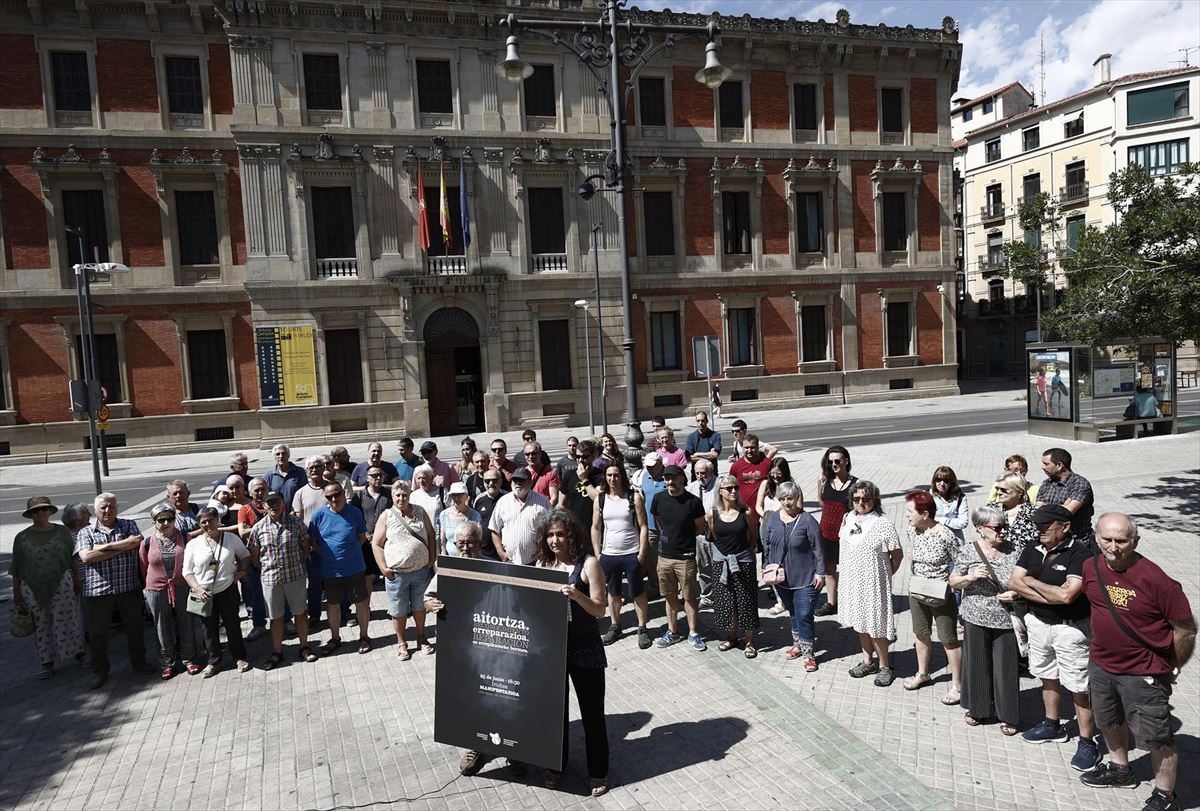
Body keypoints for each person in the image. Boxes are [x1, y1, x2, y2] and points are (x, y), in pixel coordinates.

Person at [1078, 513, 1196, 811]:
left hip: (1143, 672)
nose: (1114, 547)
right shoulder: (1090, 567)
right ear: (1096, 537)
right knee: (1108, 720)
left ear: (1136, 541)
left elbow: (1186, 629)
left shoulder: (1157, 580)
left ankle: (1166, 797)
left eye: (1122, 540)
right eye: (1107, 539)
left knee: (1158, 737)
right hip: (1101, 664)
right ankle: (1121, 770)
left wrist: (1173, 666)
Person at [1007, 504, 1099, 771]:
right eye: (1038, 526)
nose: (1040, 530)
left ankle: (1087, 741)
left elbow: (1067, 596)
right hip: (1038, 623)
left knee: (1078, 686)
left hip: (1070, 629)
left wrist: (1031, 584)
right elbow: (1014, 582)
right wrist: (1045, 591)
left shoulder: (1080, 554)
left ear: (1065, 526)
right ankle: (1052, 724)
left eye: (1046, 526)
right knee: (1046, 675)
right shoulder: (1031, 547)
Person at [534, 509, 610, 796]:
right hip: (552, 650)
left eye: (560, 534)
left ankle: (599, 772)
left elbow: (600, 610)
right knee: (554, 714)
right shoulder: (544, 563)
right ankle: (556, 767)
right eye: (550, 535)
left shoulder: (588, 563)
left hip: (585, 649)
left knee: (592, 714)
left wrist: (576, 594)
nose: (555, 540)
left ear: (572, 536)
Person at [950, 504, 1023, 735]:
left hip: (1004, 618)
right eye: (998, 527)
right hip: (975, 616)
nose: (1003, 532)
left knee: (1006, 668)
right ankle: (979, 710)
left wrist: (1016, 593)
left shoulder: (1015, 550)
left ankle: (1008, 714)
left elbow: (1026, 580)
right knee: (977, 664)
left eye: (1005, 527)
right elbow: (953, 581)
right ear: (981, 529)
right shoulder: (969, 551)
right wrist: (970, 577)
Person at [75, 492, 153, 688]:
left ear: (117, 508)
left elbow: (136, 542)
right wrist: (121, 545)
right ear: (95, 510)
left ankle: (139, 662)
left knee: (134, 628)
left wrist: (104, 548)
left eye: (111, 506)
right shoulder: (86, 532)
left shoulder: (128, 525)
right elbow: (86, 557)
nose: (108, 510)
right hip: (98, 592)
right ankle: (99, 671)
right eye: (103, 507)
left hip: (128, 587)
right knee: (97, 634)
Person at [11, 496, 85, 680]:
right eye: (36, 510)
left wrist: (77, 578)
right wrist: (16, 591)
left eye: (44, 509)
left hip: (62, 583)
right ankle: (46, 662)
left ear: (50, 511)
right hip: (32, 587)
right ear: (31, 514)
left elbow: (73, 557)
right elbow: (16, 566)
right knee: (40, 625)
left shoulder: (62, 532)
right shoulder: (21, 538)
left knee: (68, 619)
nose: (40, 513)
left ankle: (78, 653)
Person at [839, 481, 903, 687]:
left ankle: (885, 666)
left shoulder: (882, 523)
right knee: (860, 622)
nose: (861, 503)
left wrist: (884, 575)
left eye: (865, 499)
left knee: (876, 626)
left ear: (874, 500)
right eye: (856, 499)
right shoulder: (847, 518)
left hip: (874, 584)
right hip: (852, 581)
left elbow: (897, 555)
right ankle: (868, 661)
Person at [902, 490, 964, 702]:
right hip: (916, 589)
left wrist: (953, 583)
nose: (906, 515)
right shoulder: (913, 531)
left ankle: (957, 684)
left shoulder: (945, 535)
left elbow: (959, 562)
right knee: (921, 634)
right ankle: (923, 673)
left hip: (940, 593)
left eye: (910, 511)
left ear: (925, 513)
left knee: (948, 640)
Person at [248, 490, 317, 668]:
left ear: (283, 503)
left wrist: (298, 563)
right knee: (276, 617)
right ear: (263, 506)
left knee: (300, 613)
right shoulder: (258, 527)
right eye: (269, 503)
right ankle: (277, 652)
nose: (274, 506)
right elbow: (254, 555)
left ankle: (304, 647)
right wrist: (265, 568)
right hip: (271, 580)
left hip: (295, 576)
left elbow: (306, 546)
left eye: (276, 502)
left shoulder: (295, 523)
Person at [762, 482, 824, 669]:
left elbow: (818, 549)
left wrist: (820, 573)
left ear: (797, 498)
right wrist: (766, 566)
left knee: (804, 614)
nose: (787, 503)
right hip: (781, 578)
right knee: (793, 612)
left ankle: (808, 652)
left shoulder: (807, 520)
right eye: (783, 499)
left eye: (790, 498)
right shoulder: (772, 518)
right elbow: (767, 544)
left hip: (805, 577)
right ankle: (798, 644)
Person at [183, 507, 252, 678]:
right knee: (209, 629)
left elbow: (245, 555)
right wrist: (198, 589)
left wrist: (242, 572)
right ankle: (213, 661)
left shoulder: (230, 538)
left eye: (210, 520)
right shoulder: (193, 545)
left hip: (227, 589)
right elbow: (187, 571)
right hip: (204, 593)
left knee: (233, 624)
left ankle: (239, 657)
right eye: (203, 522)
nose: (207, 524)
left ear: (217, 520)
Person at [373, 480, 437, 660]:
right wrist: (383, 568)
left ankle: (421, 638)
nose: (402, 498)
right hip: (397, 575)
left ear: (410, 495)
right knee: (399, 611)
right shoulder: (387, 516)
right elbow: (376, 544)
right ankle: (401, 643)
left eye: (405, 494)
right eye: (398, 495)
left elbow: (431, 535)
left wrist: (432, 558)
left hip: (421, 571)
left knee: (419, 607)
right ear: (392, 497)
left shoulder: (420, 511)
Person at [593, 462, 652, 649]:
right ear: (605, 477)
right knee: (613, 592)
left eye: (616, 475)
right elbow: (595, 527)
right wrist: (598, 553)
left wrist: (642, 554)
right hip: (609, 554)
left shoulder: (633, 497)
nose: (613, 479)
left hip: (631, 553)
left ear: (622, 476)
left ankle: (642, 628)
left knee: (637, 592)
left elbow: (643, 526)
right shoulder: (600, 500)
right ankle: (615, 625)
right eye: (609, 475)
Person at [308, 483, 372, 654]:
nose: (334, 499)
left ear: (344, 493)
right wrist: (329, 556)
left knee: (361, 603)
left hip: (354, 567)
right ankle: (335, 638)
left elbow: (362, 537)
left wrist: (348, 553)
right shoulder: (318, 515)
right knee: (333, 605)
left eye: (337, 495)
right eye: (329, 497)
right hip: (330, 570)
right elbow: (313, 542)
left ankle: (364, 637)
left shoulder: (354, 512)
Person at [140, 501, 202, 679]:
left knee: (186, 621)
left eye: (169, 519)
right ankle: (167, 662)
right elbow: (144, 567)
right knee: (162, 625)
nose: (165, 523)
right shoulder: (146, 544)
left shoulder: (186, 537)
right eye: (161, 520)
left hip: (182, 585)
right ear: (154, 522)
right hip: (157, 589)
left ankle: (189, 659)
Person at [652, 465, 707, 651]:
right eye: (667, 478)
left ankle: (693, 633)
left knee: (690, 596)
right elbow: (660, 522)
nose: (670, 481)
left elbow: (700, 528)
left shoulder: (693, 502)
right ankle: (673, 631)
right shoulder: (658, 499)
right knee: (669, 596)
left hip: (686, 557)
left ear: (682, 478)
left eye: (674, 478)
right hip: (665, 556)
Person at [707, 474, 760, 657]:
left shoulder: (747, 512)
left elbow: (753, 538)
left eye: (735, 487)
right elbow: (715, 537)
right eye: (728, 488)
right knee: (728, 602)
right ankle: (732, 636)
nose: (733, 491)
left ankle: (750, 641)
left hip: (743, 563)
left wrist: (742, 555)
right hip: (722, 563)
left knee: (746, 601)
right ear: (720, 492)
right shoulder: (712, 513)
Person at [815, 445, 856, 618]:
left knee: (850, 570)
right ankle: (832, 603)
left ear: (846, 461)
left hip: (846, 536)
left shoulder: (855, 484)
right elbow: (822, 503)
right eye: (830, 461)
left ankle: (852, 602)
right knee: (829, 569)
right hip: (825, 533)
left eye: (837, 461)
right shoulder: (825, 481)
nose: (834, 464)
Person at [490, 467, 553, 564]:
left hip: (535, 561)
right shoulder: (503, 502)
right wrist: (501, 552)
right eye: (515, 480)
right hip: (510, 560)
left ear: (530, 482)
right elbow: (495, 530)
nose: (517, 483)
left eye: (521, 480)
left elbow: (551, 530)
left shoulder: (543, 502)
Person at [756, 457, 794, 617]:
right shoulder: (766, 484)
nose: (776, 478)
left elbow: (798, 507)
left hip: (784, 528)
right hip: (767, 526)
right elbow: (758, 505)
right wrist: (765, 516)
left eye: (779, 474)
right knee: (769, 562)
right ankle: (779, 599)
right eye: (773, 474)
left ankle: (787, 596)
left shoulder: (791, 486)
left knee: (784, 562)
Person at [236, 476, 270, 641]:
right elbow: (242, 532)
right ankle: (259, 625)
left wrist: (253, 528)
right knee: (256, 593)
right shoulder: (245, 510)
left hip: (274, 557)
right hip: (253, 558)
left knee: (280, 591)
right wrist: (266, 525)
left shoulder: (275, 504)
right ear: (249, 492)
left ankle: (285, 621)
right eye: (256, 490)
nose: (260, 492)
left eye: (263, 488)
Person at [1037, 447, 1095, 546]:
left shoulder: (1079, 483)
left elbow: (1067, 512)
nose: (1043, 467)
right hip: (1052, 542)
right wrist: (1062, 506)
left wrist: (1051, 508)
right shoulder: (1047, 484)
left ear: (1059, 465)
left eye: (1046, 464)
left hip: (1078, 542)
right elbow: (1038, 510)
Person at [351, 466, 391, 599]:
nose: (378, 478)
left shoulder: (389, 494)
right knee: (367, 577)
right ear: (367, 478)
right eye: (374, 475)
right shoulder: (359, 496)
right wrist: (365, 534)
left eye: (380, 474)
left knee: (389, 574)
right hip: (366, 543)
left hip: (386, 543)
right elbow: (355, 517)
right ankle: (365, 611)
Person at [686, 459, 718, 604]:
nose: (700, 476)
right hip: (699, 534)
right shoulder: (691, 488)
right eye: (697, 473)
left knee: (718, 565)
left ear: (711, 472)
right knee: (703, 566)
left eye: (703, 473)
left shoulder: (719, 486)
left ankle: (722, 595)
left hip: (717, 533)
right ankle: (707, 596)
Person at [558, 438, 604, 530]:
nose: (580, 460)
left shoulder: (600, 475)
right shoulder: (569, 475)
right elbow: (561, 504)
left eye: (585, 457)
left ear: (593, 456)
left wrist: (584, 479)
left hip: (593, 526)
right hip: (573, 527)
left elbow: (599, 499)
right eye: (578, 457)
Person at [730, 433, 772, 521]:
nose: (749, 450)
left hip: (763, 514)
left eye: (752, 447)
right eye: (746, 447)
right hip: (742, 513)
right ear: (742, 448)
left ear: (758, 447)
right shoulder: (736, 466)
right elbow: (730, 488)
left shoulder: (768, 464)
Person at [472, 468, 508, 561]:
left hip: (505, 551)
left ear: (500, 481)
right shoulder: (479, 499)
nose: (491, 483)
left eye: (494, 480)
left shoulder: (508, 498)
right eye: (487, 481)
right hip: (483, 552)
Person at [438, 481, 482, 556]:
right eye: (454, 495)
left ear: (466, 496)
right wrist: (443, 555)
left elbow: (477, 540)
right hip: (450, 557)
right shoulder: (444, 514)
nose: (456, 498)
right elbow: (442, 539)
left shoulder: (475, 515)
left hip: (469, 556)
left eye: (460, 495)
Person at [930, 465, 970, 544]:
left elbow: (963, 523)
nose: (942, 483)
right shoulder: (928, 496)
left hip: (955, 542)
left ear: (952, 482)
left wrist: (940, 519)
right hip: (935, 542)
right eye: (938, 480)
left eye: (946, 481)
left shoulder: (960, 497)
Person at [264, 443, 306, 508]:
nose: (281, 456)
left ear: (288, 455)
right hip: (276, 513)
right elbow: (266, 496)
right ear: (274, 457)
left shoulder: (300, 472)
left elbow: (304, 493)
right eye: (277, 454)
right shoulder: (269, 475)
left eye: (283, 453)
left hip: (295, 512)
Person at [685, 409, 722, 477]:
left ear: (707, 421)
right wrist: (709, 456)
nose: (700, 423)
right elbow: (688, 458)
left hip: (712, 475)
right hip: (696, 476)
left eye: (703, 420)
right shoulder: (691, 437)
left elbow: (715, 455)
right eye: (698, 421)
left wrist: (697, 454)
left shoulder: (715, 435)